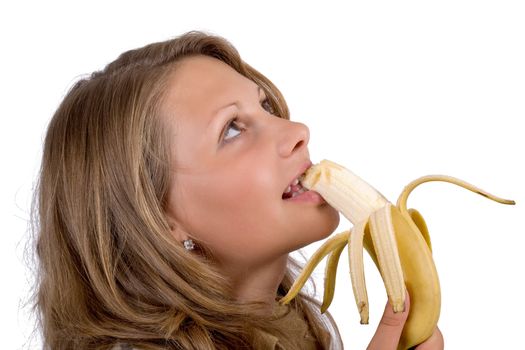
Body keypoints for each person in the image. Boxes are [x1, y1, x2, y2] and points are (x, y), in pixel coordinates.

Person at [32, 31, 443, 349]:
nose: (297, 131)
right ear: (158, 218)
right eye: (232, 129)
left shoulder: (301, 328)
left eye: (264, 107)